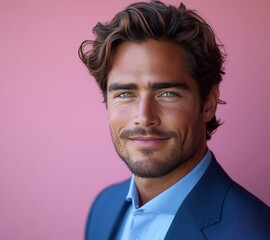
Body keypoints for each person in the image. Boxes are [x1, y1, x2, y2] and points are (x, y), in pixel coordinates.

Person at [78, 1, 270, 239]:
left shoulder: (254, 232)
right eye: (125, 94)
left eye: (167, 94)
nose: (144, 118)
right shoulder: (103, 208)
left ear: (208, 103)